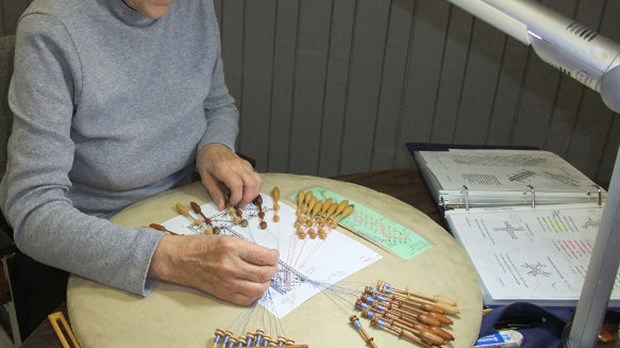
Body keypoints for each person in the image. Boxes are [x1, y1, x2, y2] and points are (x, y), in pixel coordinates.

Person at [0, 0, 279, 338]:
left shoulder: (195, 7)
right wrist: (168, 258)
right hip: (94, 240)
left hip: (182, 216)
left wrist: (215, 146)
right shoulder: (52, 28)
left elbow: (216, 104)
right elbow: (31, 209)